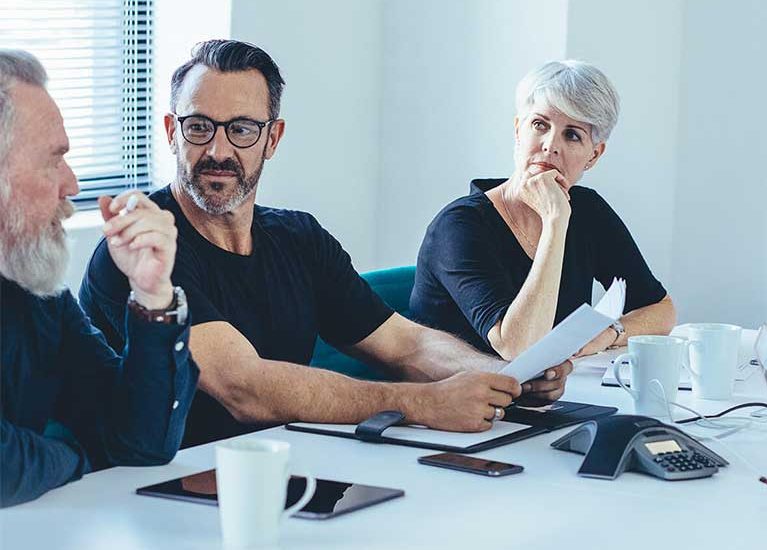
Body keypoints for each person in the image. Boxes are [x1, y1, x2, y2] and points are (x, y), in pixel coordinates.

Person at [79, 40, 569, 448]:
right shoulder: (143, 252)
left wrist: (507, 377)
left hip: (289, 471)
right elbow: (244, 388)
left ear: (272, 139)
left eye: (242, 129)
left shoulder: (298, 238)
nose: (218, 150)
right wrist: (421, 403)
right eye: (199, 127)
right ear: (172, 132)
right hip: (162, 489)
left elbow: (406, 344)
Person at [0, 49, 198, 507]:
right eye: (53, 161)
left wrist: (153, 294)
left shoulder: (37, 292)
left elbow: (140, 443)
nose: (72, 185)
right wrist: (77, 459)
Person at [409, 60, 675, 360]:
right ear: (518, 131)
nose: (550, 145)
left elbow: (661, 309)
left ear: (593, 156)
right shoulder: (458, 226)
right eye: (540, 125)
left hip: (553, 386)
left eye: (572, 135)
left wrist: (609, 332)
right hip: (462, 389)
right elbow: (517, 347)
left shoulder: (588, 210)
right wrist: (555, 221)